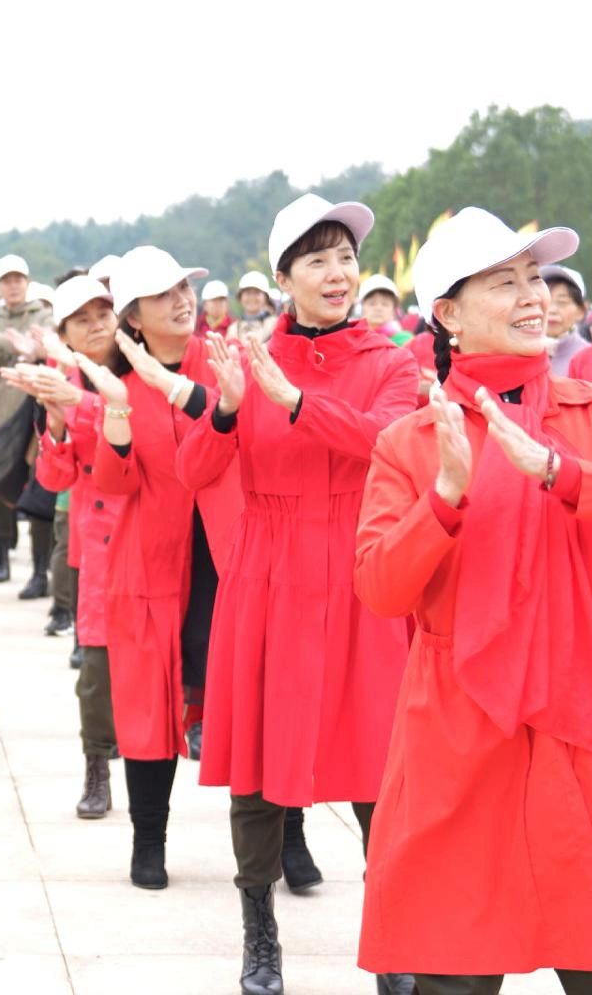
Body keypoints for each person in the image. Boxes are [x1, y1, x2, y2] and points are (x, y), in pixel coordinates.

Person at [355, 207, 592, 994]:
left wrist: (560, 472)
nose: (534, 297)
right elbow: (379, 586)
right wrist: (444, 497)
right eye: (505, 282)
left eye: (535, 278)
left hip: (588, 721)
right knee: (453, 973)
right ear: (447, 315)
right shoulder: (412, 441)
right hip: (461, 733)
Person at [178, 196, 415, 995]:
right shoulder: (245, 358)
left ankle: (395, 948)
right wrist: (233, 409)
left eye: (345, 256)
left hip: (359, 572)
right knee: (258, 766)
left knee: (381, 768)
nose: (337, 272)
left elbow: (388, 440)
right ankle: (259, 934)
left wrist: (296, 402)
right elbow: (193, 475)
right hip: (269, 575)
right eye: (315, 259)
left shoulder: (393, 358)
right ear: (283, 278)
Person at [71, 245, 241, 892]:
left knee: (251, 698)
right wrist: (115, 413)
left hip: (229, 551)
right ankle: (149, 841)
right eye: (163, 294)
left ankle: (288, 836)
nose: (182, 300)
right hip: (150, 561)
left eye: (184, 287)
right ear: (133, 319)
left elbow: (244, 433)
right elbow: (114, 482)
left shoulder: (225, 364)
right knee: (145, 709)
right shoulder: (123, 389)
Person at [6, 270, 124, 820]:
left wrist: (82, 402)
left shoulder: (142, 372)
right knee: (95, 672)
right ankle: (96, 765)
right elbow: (56, 478)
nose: (96, 326)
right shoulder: (60, 377)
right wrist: (55, 423)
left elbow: (145, 435)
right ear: (66, 335)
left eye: (104, 314)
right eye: (83, 320)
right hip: (98, 542)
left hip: (154, 535)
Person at [0, 254, 54, 592]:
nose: (14, 285)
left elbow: (42, 351)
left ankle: (39, 570)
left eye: (19, 279)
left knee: (37, 490)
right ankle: (1, 555)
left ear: (28, 282)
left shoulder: (43, 316)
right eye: (7, 280)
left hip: (34, 416)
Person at [544, 264, 592, 376]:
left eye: (562, 302)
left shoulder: (589, 357)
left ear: (581, 311)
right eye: (546, 301)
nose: (552, 310)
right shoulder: (517, 352)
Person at [358, 274, 413, 346]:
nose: (378, 308)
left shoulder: (407, 341)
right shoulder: (354, 339)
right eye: (372, 303)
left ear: (394, 310)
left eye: (385, 304)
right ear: (362, 308)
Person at [238, 272, 279, 340]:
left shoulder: (275, 324)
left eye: (257, 292)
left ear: (265, 298)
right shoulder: (233, 329)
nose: (252, 297)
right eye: (248, 293)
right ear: (240, 297)